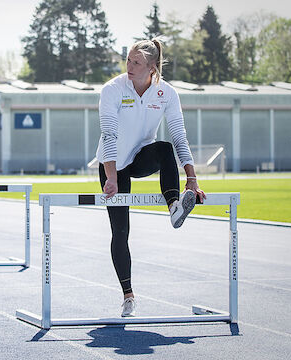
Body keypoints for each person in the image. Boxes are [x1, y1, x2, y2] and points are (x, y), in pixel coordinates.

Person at [96, 38, 207, 317]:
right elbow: (109, 135)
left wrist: (191, 179)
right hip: (113, 164)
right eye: (128, 60)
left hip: (142, 156)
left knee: (165, 148)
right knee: (120, 232)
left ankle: (175, 207)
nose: (129, 66)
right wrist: (111, 177)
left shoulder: (166, 93)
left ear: (152, 67)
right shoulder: (112, 90)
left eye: (136, 63)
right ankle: (128, 296)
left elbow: (179, 135)